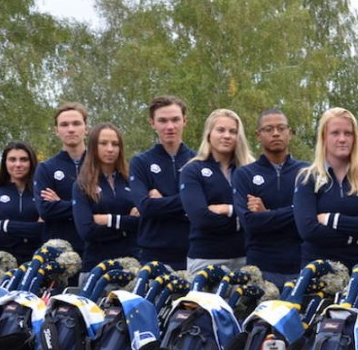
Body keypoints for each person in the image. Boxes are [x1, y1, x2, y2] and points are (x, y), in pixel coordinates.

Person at [293, 107, 358, 271]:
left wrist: (332, 220)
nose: (342, 139)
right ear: (324, 137)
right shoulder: (307, 178)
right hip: (319, 272)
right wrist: (356, 237)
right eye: (335, 133)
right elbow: (308, 230)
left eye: (348, 133)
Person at [232, 108, 306, 287]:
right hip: (261, 269)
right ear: (258, 135)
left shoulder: (307, 172)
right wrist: (298, 210)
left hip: (301, 268)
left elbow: (310, 221)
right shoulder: (244, 174)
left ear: (290, 133)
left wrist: (267, 213)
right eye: (268, 129)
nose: (275, 133)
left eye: (281, 128)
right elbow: (250, 223)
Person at [179, 109, 254, 274]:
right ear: (208, 134)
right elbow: (200, 218)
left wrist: (228, 210)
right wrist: (242, 218)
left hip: (246, 258)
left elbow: (261, 216)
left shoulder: (250, 171)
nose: (227, 136)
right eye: (220, 130)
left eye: (233, 131)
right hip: (206, 259)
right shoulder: (192, 170)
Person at [129, 95, 196, 270]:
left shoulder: (199, 161)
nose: (170, 127)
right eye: (163, 121)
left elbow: (206, 205)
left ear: (185, 121)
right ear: (152, 123)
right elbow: (145, 207)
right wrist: (188, 201)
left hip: (194, 255)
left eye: (175, 120)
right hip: (153, 256)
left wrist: (161, 201)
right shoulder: (140, 162)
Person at [72, 123, 139, 285]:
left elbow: (143, 222)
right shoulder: (82, 185)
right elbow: (87, 231)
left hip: (132, 266)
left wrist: (108, 220)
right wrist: (126, 225)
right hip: (95, 269)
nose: (110, 149)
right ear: (93, 146)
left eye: (115, 144)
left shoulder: (132, 180)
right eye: (103, 143)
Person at [0, 141, 45, 264]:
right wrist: (28, 236)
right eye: (12, 159)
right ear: (5, 163)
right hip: (2, 264)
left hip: (38, 263)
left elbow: (46, 230)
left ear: (32, 162)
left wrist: (5, 226)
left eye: (24, 159)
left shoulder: (43, 193)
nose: (18, 164)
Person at [34, 102, 88, 254]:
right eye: (64, 125)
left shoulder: (100, 166)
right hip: (60, 253)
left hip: (96, 249)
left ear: (86, 128)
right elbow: (45, 210)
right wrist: (89, 206)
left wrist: (61, 204)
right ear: (56, 131)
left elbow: (111, 204)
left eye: (76, 123)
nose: (71, 129)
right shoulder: (46, 168)